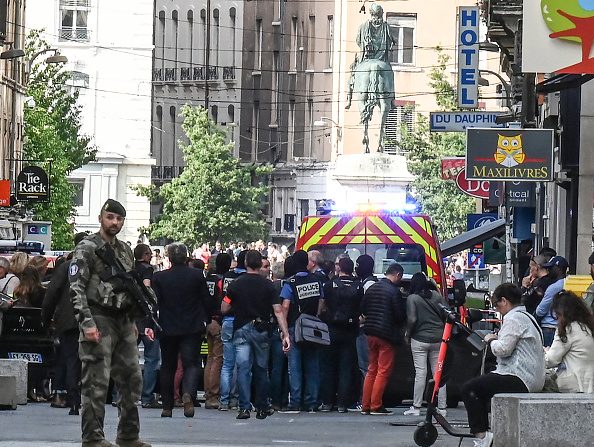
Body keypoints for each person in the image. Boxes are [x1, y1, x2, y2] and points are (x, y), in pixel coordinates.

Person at [69, 199, 151, 447]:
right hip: (98, 317)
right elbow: (76, 288)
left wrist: (133, 320)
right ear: (101, 218)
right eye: (110, 217)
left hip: (123, 320)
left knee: (132, 378)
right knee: (96, 381)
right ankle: (93, 438)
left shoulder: (125, 250)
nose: (114, 222)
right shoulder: (87, 248)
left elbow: (128, 286)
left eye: (119, 219)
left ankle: (128, 435)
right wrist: (87, 323)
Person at [462, 283, 545, 447]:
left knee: (469, 388)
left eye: (497, 305)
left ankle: (482, 435)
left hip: (520, 376)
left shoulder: (513, 319)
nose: (497, 309)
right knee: (484, 384)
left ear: (504, 301)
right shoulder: (527, 317)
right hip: (531, 376)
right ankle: (490, 431)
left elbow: (503, 349)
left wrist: (491, 340)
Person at [222, 250, 291, 420]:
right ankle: (262, 406)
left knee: (244, 369)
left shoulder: (236, 285)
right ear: (260, 264)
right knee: (261, 369)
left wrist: (236, 305)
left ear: (245, 263)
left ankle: (244, 407)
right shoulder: (269, 285)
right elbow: (278, 310)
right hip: (262, 329)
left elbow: (224, 307)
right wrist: (285, 333)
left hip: (241, 329)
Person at [152, 242, 210, 418]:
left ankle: (167, 406)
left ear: (169, 258)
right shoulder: (197, 275)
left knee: (168, 366)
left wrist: (152, 323)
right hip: (191, 326)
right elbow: (206, 300)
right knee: (191, 363)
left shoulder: (159, 277)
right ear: (187, 257)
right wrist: (207, 320)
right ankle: (188, 394)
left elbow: (154, 303)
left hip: (167, 326)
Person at [42, 232, 87, 415]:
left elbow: (51, 295)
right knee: (90, 361)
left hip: (69, 322)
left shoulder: (66, 267)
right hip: (93, 320)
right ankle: (86, 399)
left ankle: (73, 401)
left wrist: (46, 320)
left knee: (71, 360)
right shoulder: (96, 267)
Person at [279, 250, 325, 413]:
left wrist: (283, 331)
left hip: (294, 327)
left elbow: (285, 306)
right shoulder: (317, 280)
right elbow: (321, 303)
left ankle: (296, 401)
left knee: (295, 366)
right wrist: (314, 317)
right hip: (312, 327)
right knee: (312, 365)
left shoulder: (290, 283)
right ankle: (311, 401)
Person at [360, 263, 406, 416]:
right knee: (383, 371)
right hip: (386, 335)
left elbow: (364, 308)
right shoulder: (394, 292)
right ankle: (376, 405)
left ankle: (365, 404)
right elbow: (399, 316)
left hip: (370, 333)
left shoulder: (372, 288)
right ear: (398, 275)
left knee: (371, 369)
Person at [319, 257, 363, 413]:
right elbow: (361, 308)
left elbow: (322, 307)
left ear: (339, 268)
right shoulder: (358, 286)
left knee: (329, 366)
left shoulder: (329, 285)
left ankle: (327, 402)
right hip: (350, 330)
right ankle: (343, 403)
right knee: (346, 367)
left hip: (331, 328)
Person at [404, 272, 447, 417]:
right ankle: (441, 408)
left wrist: (408, 334)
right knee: (438, 374)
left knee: (420, 373)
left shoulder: (412, 298)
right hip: (438, 338)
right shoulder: (436, 295)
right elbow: (446, 312)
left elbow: (412, 319)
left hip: (420, 339)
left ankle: (416, 407)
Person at [545, 290, 594, 393]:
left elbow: (551, 360)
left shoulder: (568, 328)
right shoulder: (588, 325)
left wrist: (543, 353)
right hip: (590, 383)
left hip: (575, 384)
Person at [132, 244, 160, 410]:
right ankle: (147, 396)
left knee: (127, 357)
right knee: (152, 359)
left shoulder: (131, 268)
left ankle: (118, 395)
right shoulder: (147, 269)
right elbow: (147, 287)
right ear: (146, 255)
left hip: (132, 318)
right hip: (146, 318)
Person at [218, 250, 247, 411]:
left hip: (227, 321)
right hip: (242, 321)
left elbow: (222, 295)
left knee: (227, 364)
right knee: (241, 363)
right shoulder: (247, 279)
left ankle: (224, 400)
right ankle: (236, 399)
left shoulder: (227, 276)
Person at [203, 252, 232, 409]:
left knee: (210, 358)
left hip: (207, 321)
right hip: (218, 321)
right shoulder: (222, 281)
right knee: (218, 359)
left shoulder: (207, 279)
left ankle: (208, 391)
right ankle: (213, 395)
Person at [536, 256, 569, 347]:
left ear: (559, 269)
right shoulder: (569, 283)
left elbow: (540, 311)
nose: (548, 270)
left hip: (549, 328)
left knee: (548, 358)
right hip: (564, 327)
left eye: (551, 268)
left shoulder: (554, 287)